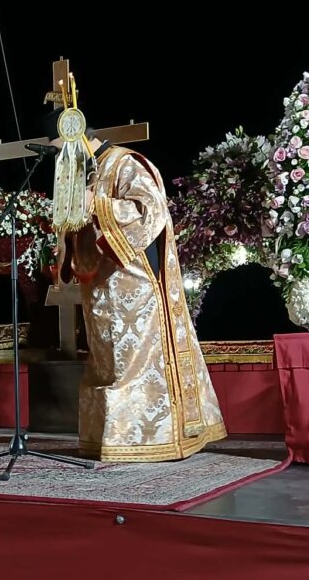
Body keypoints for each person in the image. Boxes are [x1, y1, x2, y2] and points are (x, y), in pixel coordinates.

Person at [45, 105, 225, 462]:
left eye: (58, 149)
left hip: (134, 287)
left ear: (75, 137)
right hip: (99, 290)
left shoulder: (125, 163)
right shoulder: (84, 172)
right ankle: (111, 441)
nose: (58, 159)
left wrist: (98, 204)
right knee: (106, 366)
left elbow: (150, 211)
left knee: (134, 366)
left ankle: (151, 438)